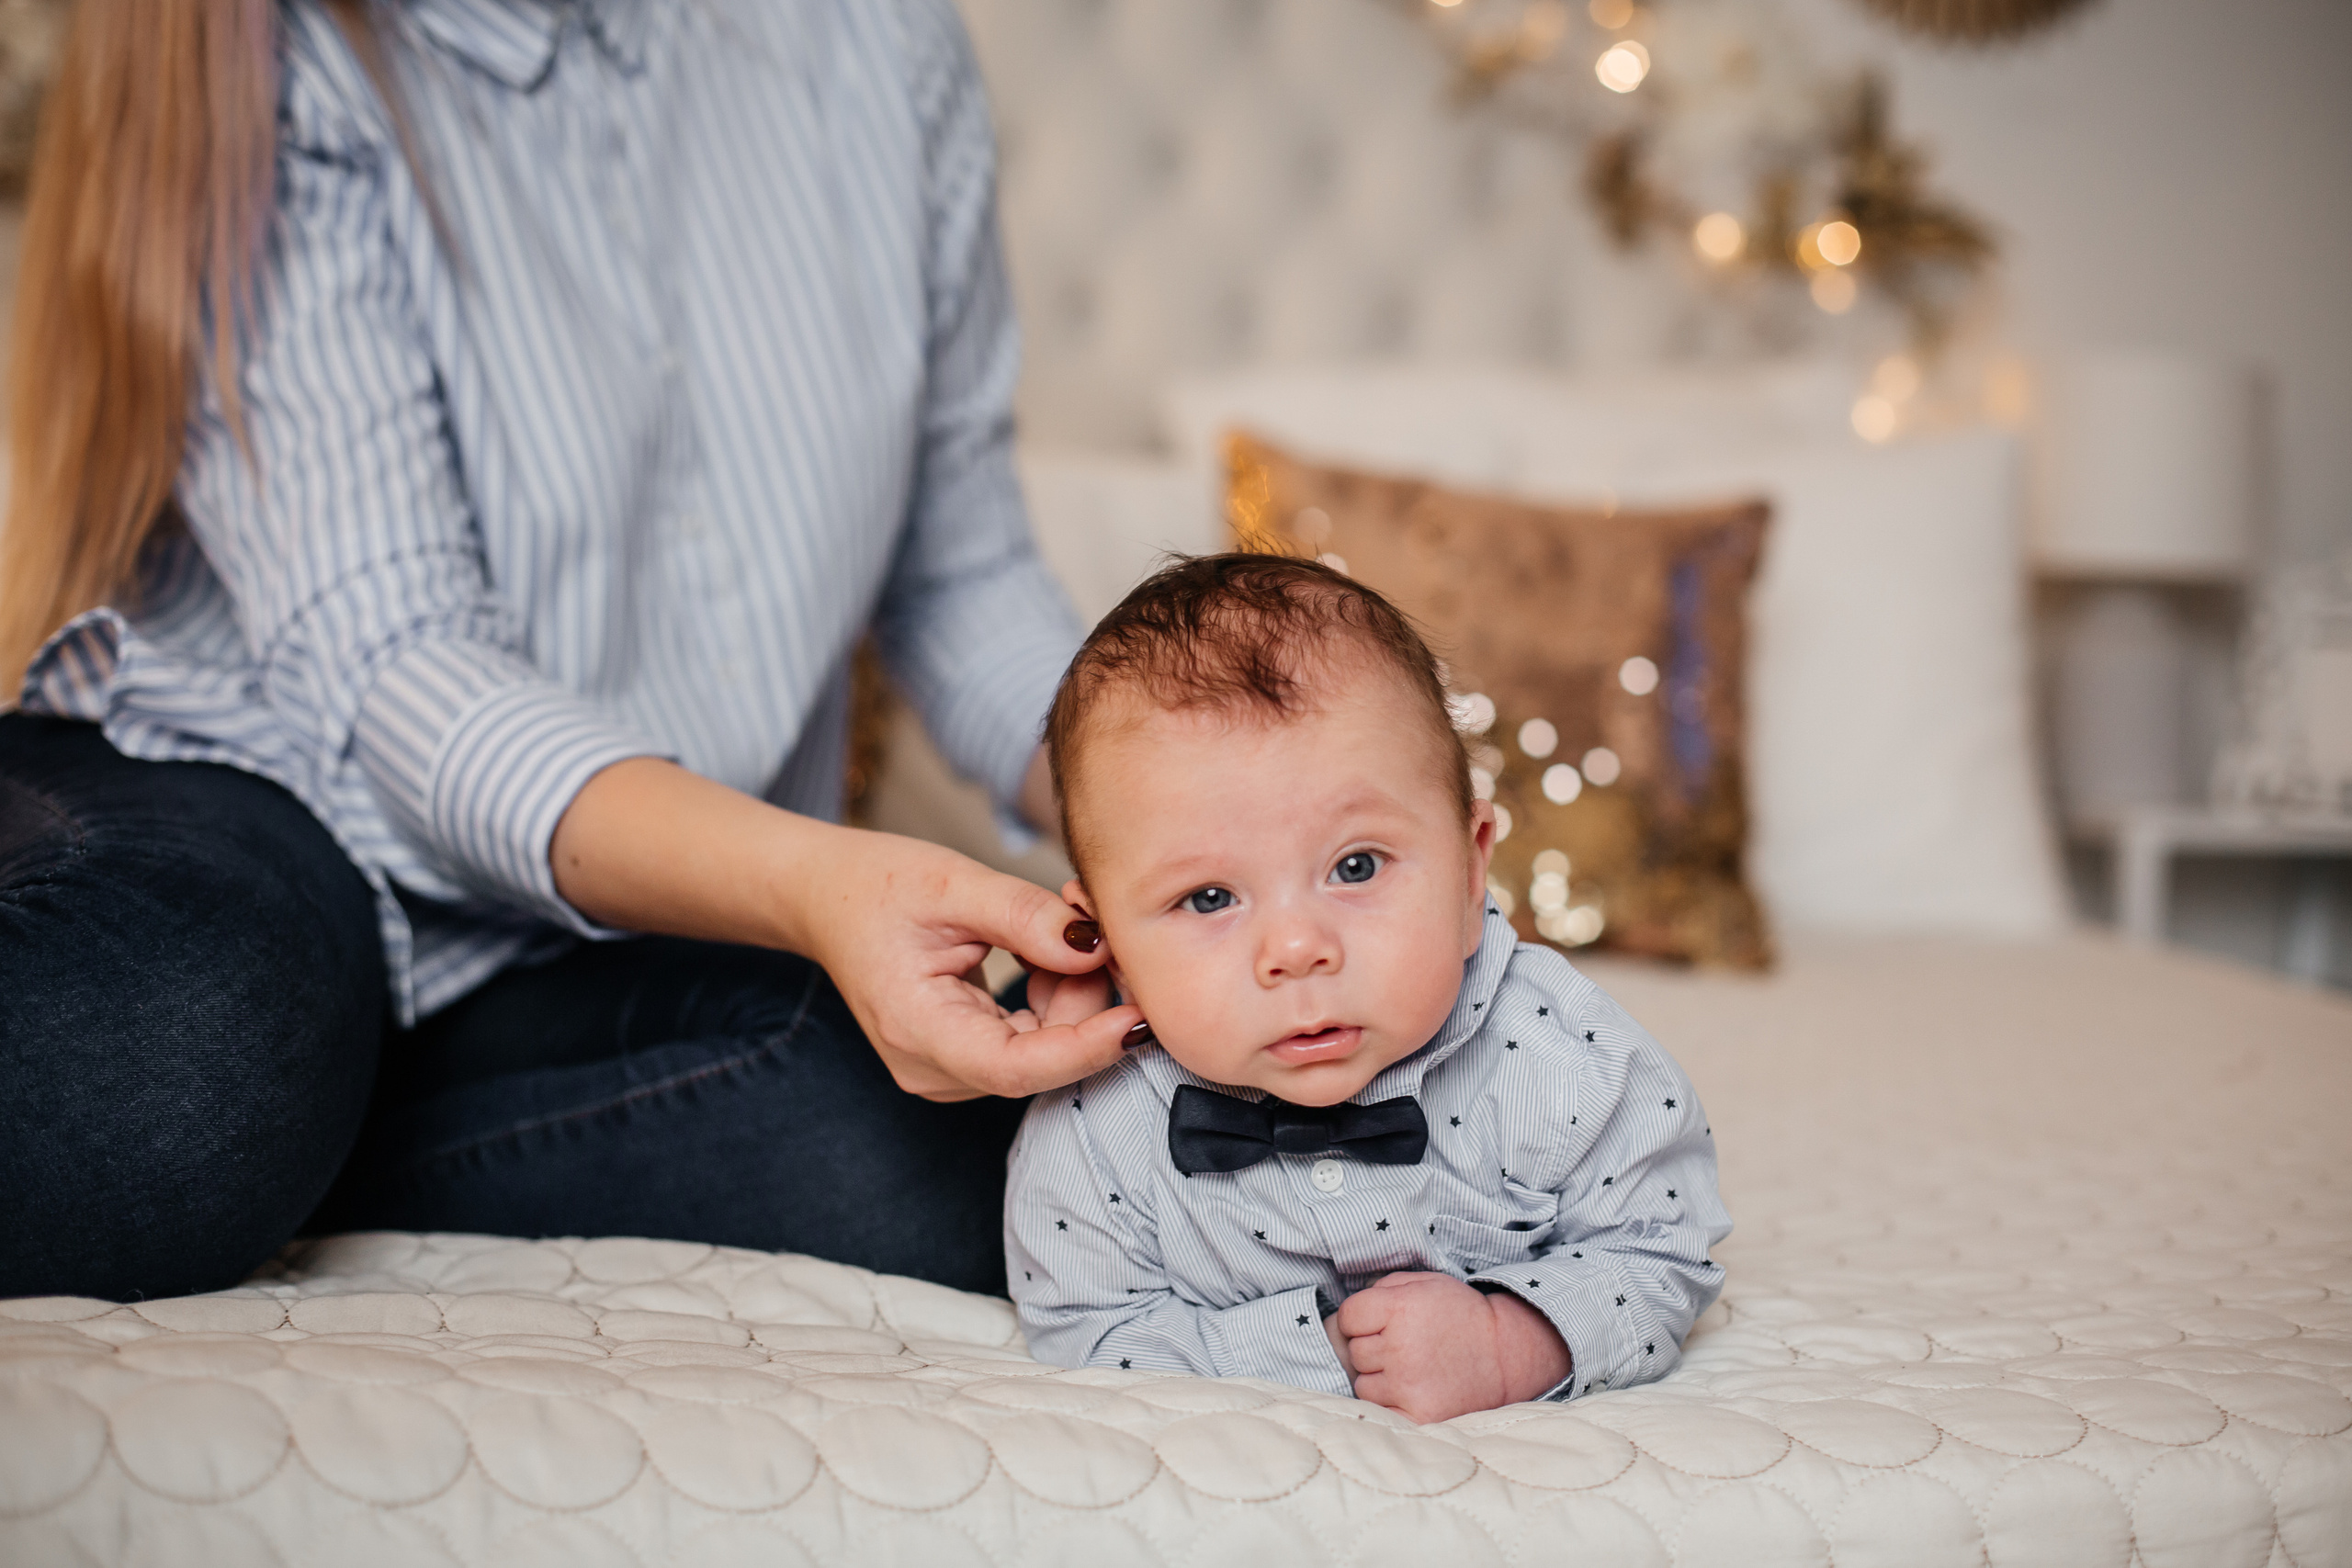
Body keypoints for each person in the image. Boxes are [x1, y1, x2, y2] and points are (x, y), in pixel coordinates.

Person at [0, 0, 1140, 1304]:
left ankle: (310, 1129)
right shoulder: (281, 59)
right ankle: (273, 1099)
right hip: (255, 818)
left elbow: (963, 577)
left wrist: (1204, 823)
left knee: (942, 1146)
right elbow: (404, 667)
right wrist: (818, 880)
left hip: (603, 938)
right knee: (191, 1043)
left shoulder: (880, 41)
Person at [1004, 555, 1731, 1423]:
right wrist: (1316, 1355)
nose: (1299, 948)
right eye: (1208, 897)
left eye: (1355, 866)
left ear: (1470, 872)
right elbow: (1087, 1324)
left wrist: (1513, 1339)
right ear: (1107, 941)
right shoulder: (1093, 1128)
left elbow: (1665, 1244)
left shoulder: (1558, 1054)